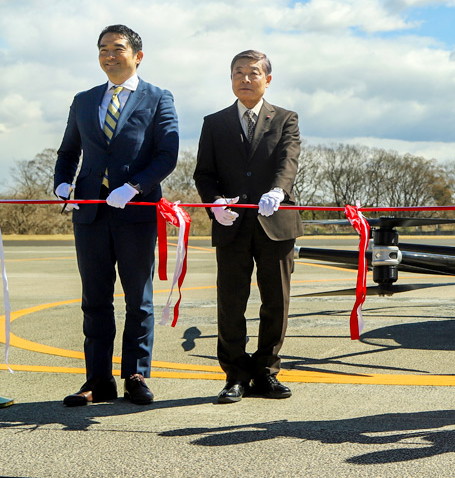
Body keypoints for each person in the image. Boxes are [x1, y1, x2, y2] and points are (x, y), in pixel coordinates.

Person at [54, 24, 179, 406]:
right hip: (90, 213)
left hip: (136, 212)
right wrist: (62, 185)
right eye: (103, 48)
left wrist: (135, 186)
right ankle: (97, 380)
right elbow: (67, 152)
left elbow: (166, 154)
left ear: (137, 55)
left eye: (118, 48)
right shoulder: (84, 99)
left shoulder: (158, 97)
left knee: (137, 300)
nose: (110, 55)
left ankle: (135, 375)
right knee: (94, 299)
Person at [194, 50, 303, 404]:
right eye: (237, 72)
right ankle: (235, 375)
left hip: (276, 222)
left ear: (267, 79)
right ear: (230, 79)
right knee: (230, 303)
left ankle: (267, 371)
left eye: (253, 72)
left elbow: (288, 159)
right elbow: (204, 173)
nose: (245, 78)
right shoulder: (214, 122)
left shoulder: (286, 118)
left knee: (276, 302)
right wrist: (214, 204)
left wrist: (277, 190)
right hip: (232, 225)